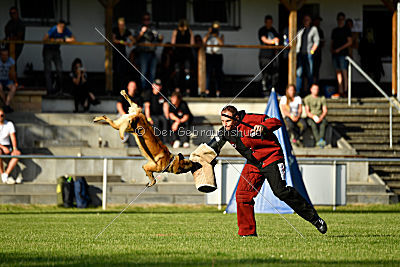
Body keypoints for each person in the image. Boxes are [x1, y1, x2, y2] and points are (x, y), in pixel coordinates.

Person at [207, 105, 327, 236]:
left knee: (280, 192)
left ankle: (315, 219)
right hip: (254, 164)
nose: (225, 125)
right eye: (222, 121)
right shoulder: (225, 131)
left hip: (272, 158)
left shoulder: (250, 119)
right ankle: (248, 234)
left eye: (228, 121)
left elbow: (276, 122)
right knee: (243, 195)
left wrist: (263, 127)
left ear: (236, 118)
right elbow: (211, 148)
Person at [43, 20, 75, 95]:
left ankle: (59, 88)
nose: (61, 29)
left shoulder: (65, 30)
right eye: (60, 27)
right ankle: (49, 89)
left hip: (56, 50)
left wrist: (64, 40)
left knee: (59, 69)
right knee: (48, 70)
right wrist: (55, 40)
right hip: (48, 49)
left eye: (63, 27)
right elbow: (45, 39)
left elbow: (73, 39)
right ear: (57, 26)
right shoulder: (53, 29)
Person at [135, 13, 163, 91]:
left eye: (148, 19)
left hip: (152, 52)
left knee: (152, 73)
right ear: (142, 20)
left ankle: (151, 90)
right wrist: (141, 32)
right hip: (143, 52)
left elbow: (159, 39)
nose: (147, 21)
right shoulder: (139, 27)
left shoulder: (153, 28)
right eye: (145, 19)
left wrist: (160, 37)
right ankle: (143, 89)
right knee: (144, 72)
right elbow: (135, 40)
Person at [296, 14, 319, 96]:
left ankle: (311, 92)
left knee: (310, 73)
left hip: (308, 54)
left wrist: (312, 51)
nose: (306, 21)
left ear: (310, 21)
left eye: (308, 20)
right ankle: (297, 91)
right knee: (299, 73)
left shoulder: (313, 29)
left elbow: (317, 41)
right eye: (305, 20)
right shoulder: (300, 29)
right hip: (300, 54)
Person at [331, 12, 352, 97]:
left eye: (342, 19)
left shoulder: (347, 30)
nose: (340, 21)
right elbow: (332, 42)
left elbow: (350, 42)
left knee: (344, 72)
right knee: (338, 72)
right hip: (335, 54)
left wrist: (340, 49)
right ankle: (340, 90)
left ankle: (346, 90)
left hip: (343, 54)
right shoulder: (335, 30)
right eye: (339, 19)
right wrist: (332, 49)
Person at [171, 19, 194, 96]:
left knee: (187, 72)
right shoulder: (176, 31)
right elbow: (173, 43)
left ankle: (187, 89)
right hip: (178, 54)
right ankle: (178, 88)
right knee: (178, 72)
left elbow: (192, 43)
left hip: (186, 54)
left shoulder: (189, 31)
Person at [112, 17, 135, 94]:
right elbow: (113, 39)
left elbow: (133, 40)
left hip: (123, 53)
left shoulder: (126, 31)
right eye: (120, 24)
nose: (121, 26)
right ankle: (115, 90)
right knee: (116, 71)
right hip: (116, 52)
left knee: (123, 72)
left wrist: (130, 43)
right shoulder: (115, 30)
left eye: (122, 24)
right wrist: (122, 42)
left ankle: (122, 89)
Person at [258, 15, 279, 97]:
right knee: (265, 74)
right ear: (265, 22)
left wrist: (276, 48)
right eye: (268, 22)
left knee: (274, 74)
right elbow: (264, 39)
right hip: (264, 56)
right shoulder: (262, 30)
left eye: (271, 22)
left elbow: (277, 40)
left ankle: (273, 90)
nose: (270, 24)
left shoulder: (273, 30)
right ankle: (264, 91)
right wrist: (273, 41)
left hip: (273, 56)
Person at [144, 79, 170, 144]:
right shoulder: (148, 94)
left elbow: (165, 106)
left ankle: (165, 141)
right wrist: (149, 118)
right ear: (153, 86)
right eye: (156, 85)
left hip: (160, 114)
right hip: (151, 115)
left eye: (159, 86)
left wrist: (167, 117)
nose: (158, 87)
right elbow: (147, 107)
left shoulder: (163, 94)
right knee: (156, 121)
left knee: (165, 120)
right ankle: (157, 141)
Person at [0, 108, 21, 184]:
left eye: (2, 115)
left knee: (17, 154)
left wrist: (15, 148)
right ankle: (2, 174)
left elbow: (13, 137)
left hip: (7, 145)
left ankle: (6, 174)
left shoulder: (9, 124)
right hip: (1, 146)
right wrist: (2, 147)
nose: (0, 117)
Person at [203, 21, 224, 97]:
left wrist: (216, 36)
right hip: (209, 55)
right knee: (208, 74)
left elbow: (221, 44)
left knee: (218, 74)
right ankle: (207, 91)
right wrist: (209, 33)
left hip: (218, 55)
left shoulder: (221, 35)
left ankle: (218, 91)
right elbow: (203, 42)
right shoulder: (208, 35)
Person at [0, 49, 17, 113]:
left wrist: (15, 82)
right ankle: (6, 105)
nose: (5, 57)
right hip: (0, 79)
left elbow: (13, 73)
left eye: (6, 55)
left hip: (7, 80)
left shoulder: (11, 61)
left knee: (13, 87)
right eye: (3, 55)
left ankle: (6, 104)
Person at [312, 16, 324, 83]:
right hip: (310, 54)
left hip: (318, 54)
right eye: (317, 21)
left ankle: (316, 84)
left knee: (316, 71)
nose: (318, 23)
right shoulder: (310, 29)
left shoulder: (320, 31)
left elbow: (322, 43)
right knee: (309, 71)